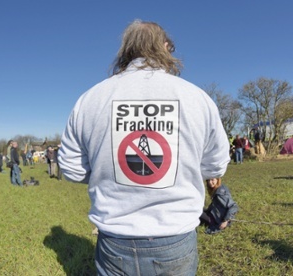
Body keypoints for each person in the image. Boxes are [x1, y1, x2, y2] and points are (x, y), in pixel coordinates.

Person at [58, 19, 230, 275]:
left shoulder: (90, 99)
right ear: (165, 47)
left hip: (113, 239)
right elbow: (215, 164)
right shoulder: (197, 98)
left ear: (126, 50)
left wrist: (111, 175)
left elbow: (71, 169)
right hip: (175, 237)